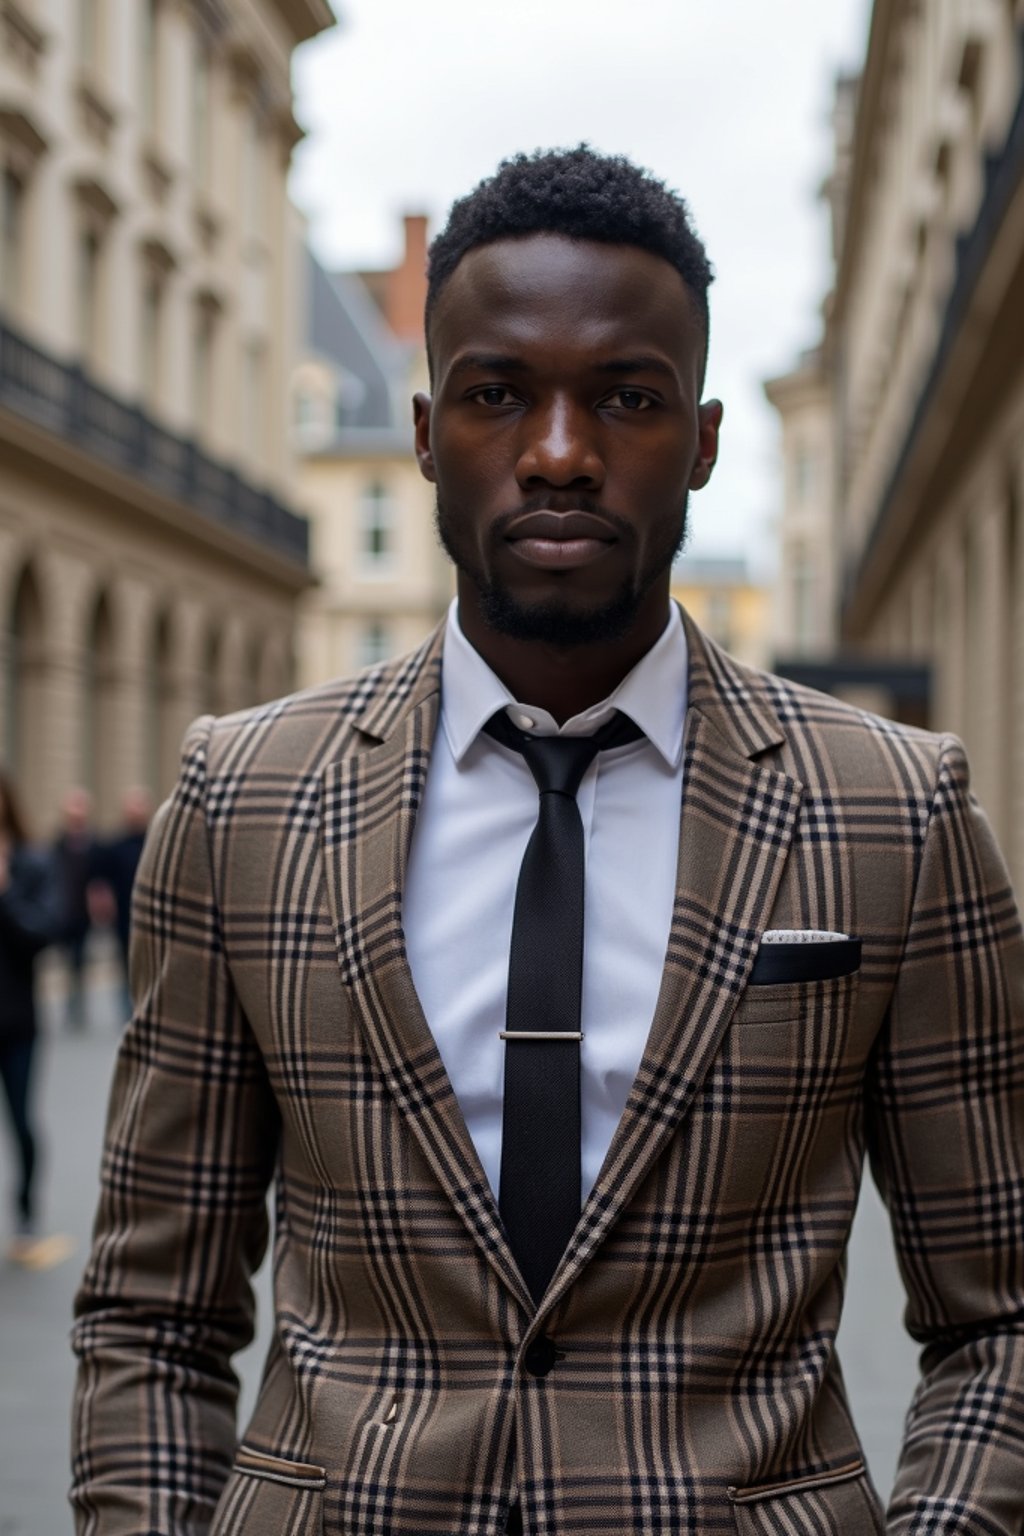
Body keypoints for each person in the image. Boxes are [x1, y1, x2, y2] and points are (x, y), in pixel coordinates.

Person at [71, 148, 1024, 1534]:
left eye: (626, 399)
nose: (561, 452)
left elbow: (1001, 1316)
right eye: (499, 394)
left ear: (699, 442)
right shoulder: (246, 798)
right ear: (422, 432)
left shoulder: (893, 808)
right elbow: (152, 1316)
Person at [0, 768, 66, 1267]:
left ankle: (25, 1211)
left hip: (17, 1020)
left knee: (21, 1121)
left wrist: (4, 893)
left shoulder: (32, 863)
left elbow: (44, 934)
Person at [91, 787, 152, 1020]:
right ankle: (127, 1009)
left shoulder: (157, 839)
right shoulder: (113, 846)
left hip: (151, 917)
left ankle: (145, 1005)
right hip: (124, 917)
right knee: (125, 963)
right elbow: (99, 883)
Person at [52, 787, 96, 1030]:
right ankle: (70, 1002)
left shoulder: (93, 844)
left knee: (80, 959)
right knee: (67, 959)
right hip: (63, 911)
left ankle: (78, 1003)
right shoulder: (58, 844)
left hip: (83, 912)